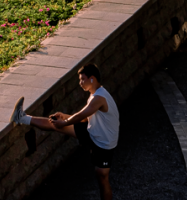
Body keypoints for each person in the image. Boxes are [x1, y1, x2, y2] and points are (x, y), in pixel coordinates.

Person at [11, 63, 118, 200]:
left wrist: (65, 122)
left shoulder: (99, 98)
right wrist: (65, 117)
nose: (80, 83)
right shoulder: (96, 94)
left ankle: (22, 118)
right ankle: (22, 118)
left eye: (82, 79)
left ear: (92, 79)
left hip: (103, 142)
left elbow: (80, 116)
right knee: (55, 125)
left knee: (102, 177)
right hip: (95, 133)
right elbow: (85, 118)